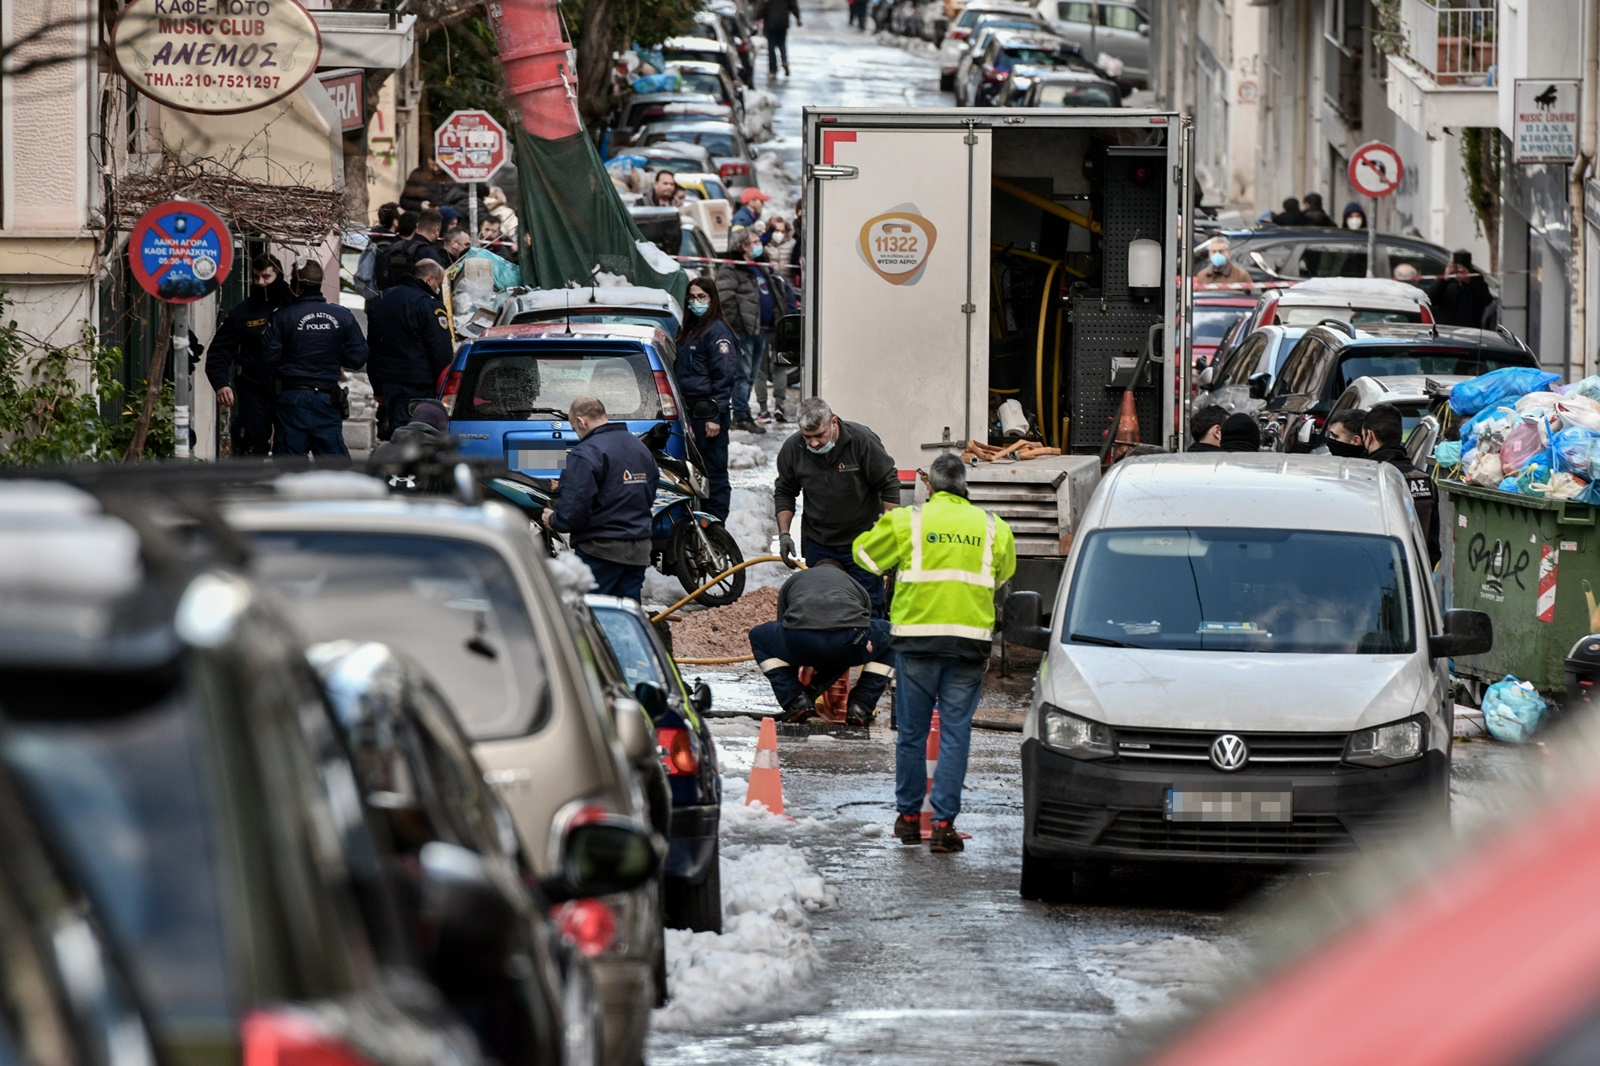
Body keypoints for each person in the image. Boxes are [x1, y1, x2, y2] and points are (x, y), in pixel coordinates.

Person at [853, 452, 1016, 853]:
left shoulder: (909, 520)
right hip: (968, 647)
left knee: (911, 733)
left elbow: (865, 556)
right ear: (965, 487)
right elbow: (1004, 572)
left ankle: (909, 818)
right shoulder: (993, 527)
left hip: (918, 643)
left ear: (930, 487)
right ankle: (943, 824)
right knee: (956, 734)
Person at [774, 397, 900, 616]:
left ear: (833, 422)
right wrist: (784, 534)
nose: (813, 443)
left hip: (864, 542)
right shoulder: (793, 449)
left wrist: (890, 533)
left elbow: (888, 484)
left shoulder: (862, 441)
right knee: (822, 605)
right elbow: (785, 491)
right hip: (819, 542)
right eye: (807, 437)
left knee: (868, 606)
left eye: (819, 435)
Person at [747, 559, 895, 726]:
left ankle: (794, 700)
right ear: (842, 572)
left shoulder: (795, 580)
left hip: (801, 640)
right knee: (892, 635)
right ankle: (861, 705)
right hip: (850, 640)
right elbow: (865, 624)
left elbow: (785, 624)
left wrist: (800, 690)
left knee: (758, 636)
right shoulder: (854, 584)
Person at [542, 396, 660, 601]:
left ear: (581, 422)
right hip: (639, 549)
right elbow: (648, 494)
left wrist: (553, 520)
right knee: (626, 615)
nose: (577, 434)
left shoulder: (585, 453)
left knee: (592, 618)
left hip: (600, 551)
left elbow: (573, 510)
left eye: (574, 428)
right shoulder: (639, 447)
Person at [261, 260, 368, 459]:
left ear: (296, 285)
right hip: (327, 399)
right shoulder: (343, 316)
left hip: (292, 399)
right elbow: (358, 358)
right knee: (334, 471)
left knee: (289, 469)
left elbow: (268, 359)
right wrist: (333, 355)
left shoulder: (282, 316)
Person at [205, 254, 293, 456]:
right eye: (256, 277)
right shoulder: (243, 312)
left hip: (289, 387)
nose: (261, 282)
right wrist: (221, 383)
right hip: (254, 388)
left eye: (266, 277)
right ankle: (248, 484)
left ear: (278, 276)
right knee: (251, 445)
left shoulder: (293, 307)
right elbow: (220, 350)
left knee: (290, 446)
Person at [366, 260, 454, 441]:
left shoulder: (380, 301)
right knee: (414, 438)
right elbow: (440, 350)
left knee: (396, 433)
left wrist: (377, 387)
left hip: (389, 383)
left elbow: (372, 347)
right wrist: (444, 386)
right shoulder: (428, 305)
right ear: (430, 279)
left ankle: (397, 466)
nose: (439, 288)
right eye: (439, 282)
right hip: (418, 386)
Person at [673, 276, 737, 520]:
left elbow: (725, 376)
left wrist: (714, 416)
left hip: (707, 414)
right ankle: (699, 524)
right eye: (691, 297)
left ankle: (716, 528)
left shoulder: (718, 332)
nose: (695, 302)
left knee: (715, 474)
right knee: (695, 473)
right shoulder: (690, 330)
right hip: (689, 412)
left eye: (702, 297)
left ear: (712, 299)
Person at [1364, 403, 1440, 566]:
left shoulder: (1368, 479)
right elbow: (1433, 549)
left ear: (1369, 436)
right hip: (1417, 579)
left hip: (1381, 575)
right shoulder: (1425, 481)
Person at [715, 227, 774, 433]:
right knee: (743, 374)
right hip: (744, 331)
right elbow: (725, 300)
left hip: (760, 329)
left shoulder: (755, 266)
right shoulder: (731, 269)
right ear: (743, 246)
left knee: (752, 374)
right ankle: (740, 414)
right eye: (755, 242)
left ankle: (743, 412)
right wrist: (737, 327)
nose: (759, 245)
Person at [379, 208, 446, 289]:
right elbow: (438, 284)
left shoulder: (395, 247)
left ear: (417, 226)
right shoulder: (429, 253)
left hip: (391, 297)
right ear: (436, 229)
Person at [1428, 250, 1495, 328]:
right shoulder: (1446, 280)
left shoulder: (1476, 278)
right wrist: (1445, 279)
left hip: (1469, 327)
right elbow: (1430, 299)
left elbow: (1486, 301)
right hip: (1446, 327)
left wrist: (1469, 281)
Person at [763, 0, 802, 79]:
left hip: (771, 22)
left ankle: (773, 69)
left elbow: (762, 6)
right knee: (782, 43)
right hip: (783, 21)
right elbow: (793, 5)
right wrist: (797, 18)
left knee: (771, 46)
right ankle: (784, 61)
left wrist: (755, 17)